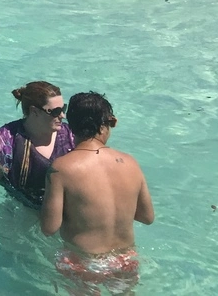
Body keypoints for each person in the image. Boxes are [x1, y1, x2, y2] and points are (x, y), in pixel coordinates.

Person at [41, 92, 154, 292]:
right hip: (124, 260)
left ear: (72, 125)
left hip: (82, 261)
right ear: (104, 125)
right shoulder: (130, 163)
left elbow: (49, 228)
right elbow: (147, 217)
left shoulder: (62, 169)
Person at [0, 80, 75, 221]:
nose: (62, 116)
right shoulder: (2, 141)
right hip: (20, 209)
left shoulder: (73, 137)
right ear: (34, 111)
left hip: (66, 214)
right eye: (56, 111)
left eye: (63, 109)